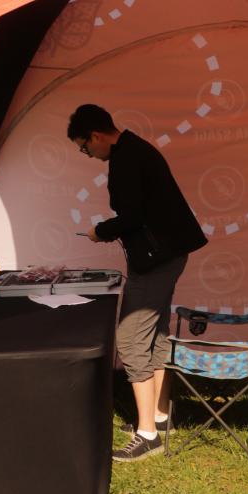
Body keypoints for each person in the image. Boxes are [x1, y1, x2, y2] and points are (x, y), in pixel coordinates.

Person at [67, 104, 207, 462]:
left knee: (130, 339)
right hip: (169, 254)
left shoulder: (125, 159)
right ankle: (158, 416)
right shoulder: (135, 149)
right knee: (155, 332)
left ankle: (147, 435)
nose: (89, 154)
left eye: (85, 148)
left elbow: (132, 217)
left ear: (96, 136)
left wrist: (101, 231)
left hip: (156, 261)